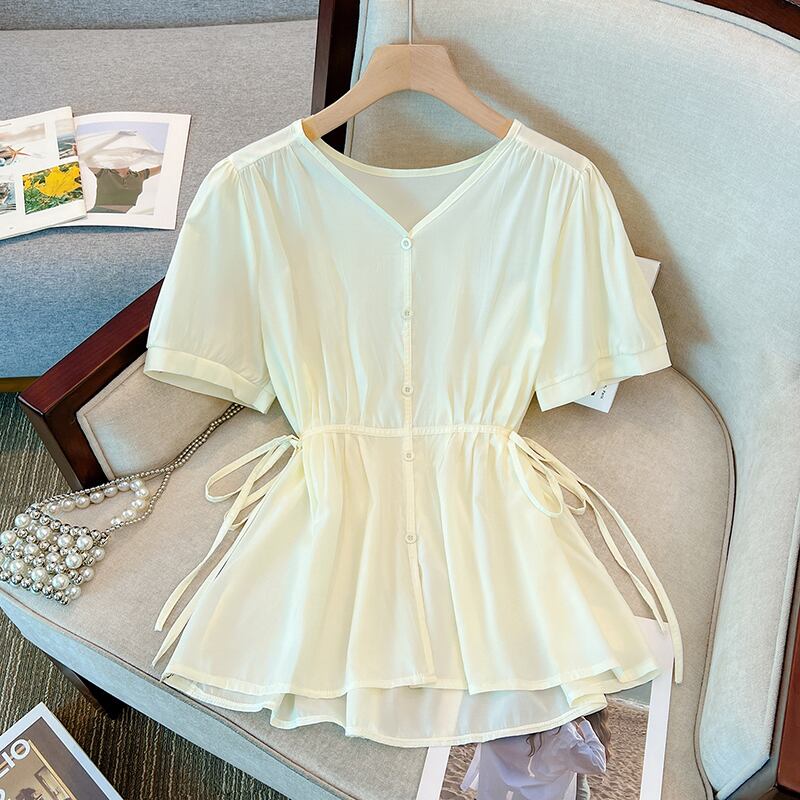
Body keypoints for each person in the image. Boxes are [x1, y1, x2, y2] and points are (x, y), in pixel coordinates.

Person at [460, 711, 609, 799]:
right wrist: (583, 723)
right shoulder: (562, 733)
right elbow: (598, 763)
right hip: (543, 794)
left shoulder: (506, 721)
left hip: (514, 793)